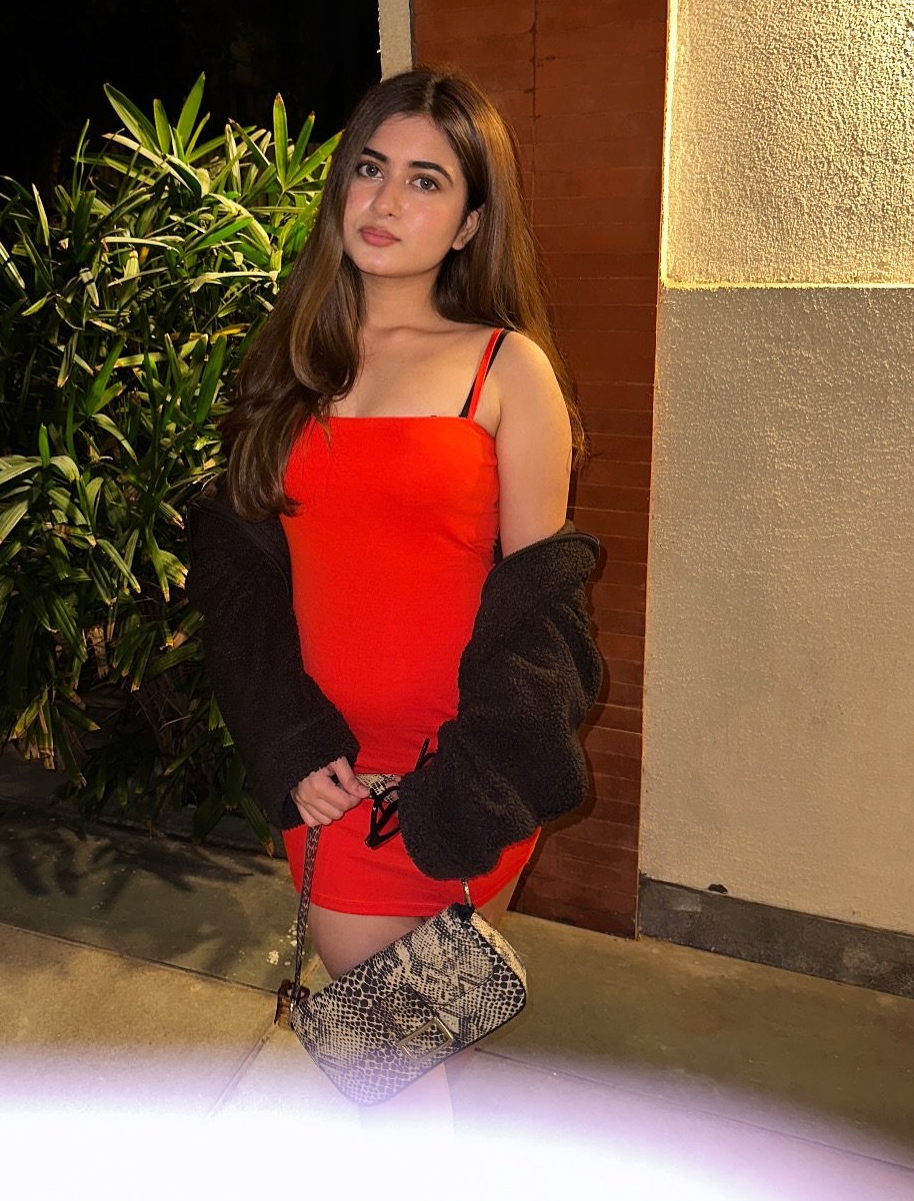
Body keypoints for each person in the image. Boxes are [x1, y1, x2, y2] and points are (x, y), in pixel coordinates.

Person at [186, 68, 603, 1123]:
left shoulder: (505, 368)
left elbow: (544, 606)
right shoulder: (293, 362)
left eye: (426, 181)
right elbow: (238, 582)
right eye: (370, 169)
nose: (384, 200)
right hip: (330, 783)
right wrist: (285, 741)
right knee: (398, 1076)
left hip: (465, 781)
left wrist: (473, 785)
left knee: (410, 1070)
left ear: (470, 224)